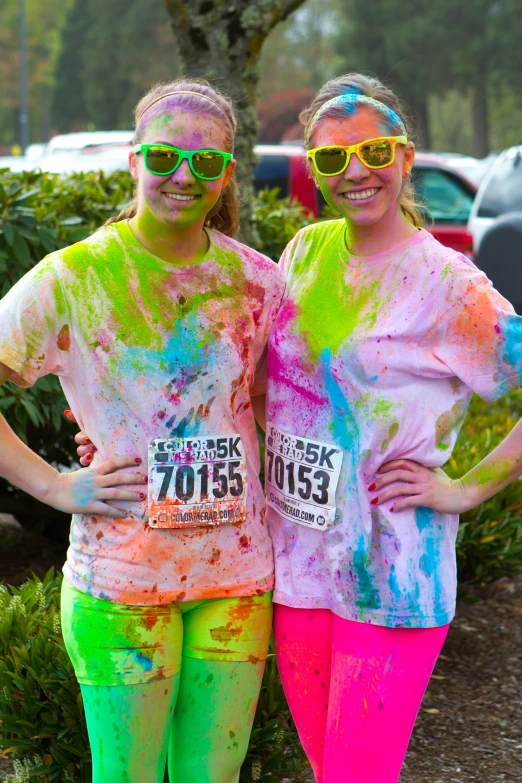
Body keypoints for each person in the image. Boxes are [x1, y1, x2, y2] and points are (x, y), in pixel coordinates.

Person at [0, 79, 284, 783]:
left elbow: (266, 404)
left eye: (206, 163)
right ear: (133, 160)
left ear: (225, 173)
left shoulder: (258, 282)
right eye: (164, 156)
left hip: (237, 578)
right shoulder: (75, 276)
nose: (184, 176)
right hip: (122, 578)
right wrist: (56, 484)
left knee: (212, 776)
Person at [264, 73, 522, 783]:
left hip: (392, 575)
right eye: (330, 159)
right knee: (328, 771)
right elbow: (259, 386)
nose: (355, 172)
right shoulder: (307, 253)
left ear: (406, 157)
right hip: (300, 571)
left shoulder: (448, 282)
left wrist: (467, 489)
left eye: (374, 151)